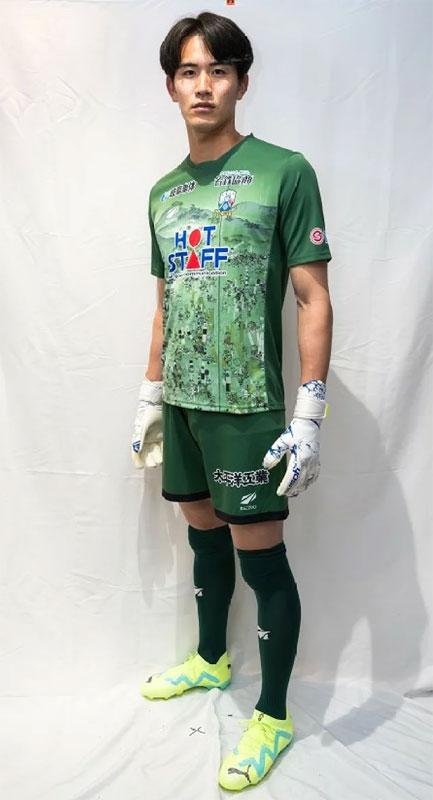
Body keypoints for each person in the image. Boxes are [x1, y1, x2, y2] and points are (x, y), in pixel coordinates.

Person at [131, 10, 333, 791]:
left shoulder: (285, 171)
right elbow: (165, 302)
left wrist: (308, 411)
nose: (203, 85)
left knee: (262, 559)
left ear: (241, 82)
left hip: (247, 406)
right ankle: (211, 660)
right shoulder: (162, 192)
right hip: (182, 405)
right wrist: (150, 393)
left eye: (218, 70)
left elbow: (311, 297)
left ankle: (273, 714)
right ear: (171, 87)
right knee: (201, 534)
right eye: (188, 71)